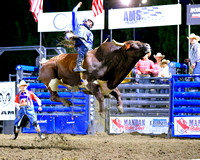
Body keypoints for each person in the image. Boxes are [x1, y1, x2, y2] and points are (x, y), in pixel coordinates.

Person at [66, 2, 94, 72]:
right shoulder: (78, 26)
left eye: (91, 23)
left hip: (85, 46)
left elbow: (90, 42)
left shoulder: (90, 33)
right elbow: (74, 13)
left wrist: (90, 49)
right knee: (83, 47)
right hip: (78, 43)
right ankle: (78, 66)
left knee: (88, 49)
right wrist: (77, 6)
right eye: (89, 21)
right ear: (85, 21)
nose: (90, 23)